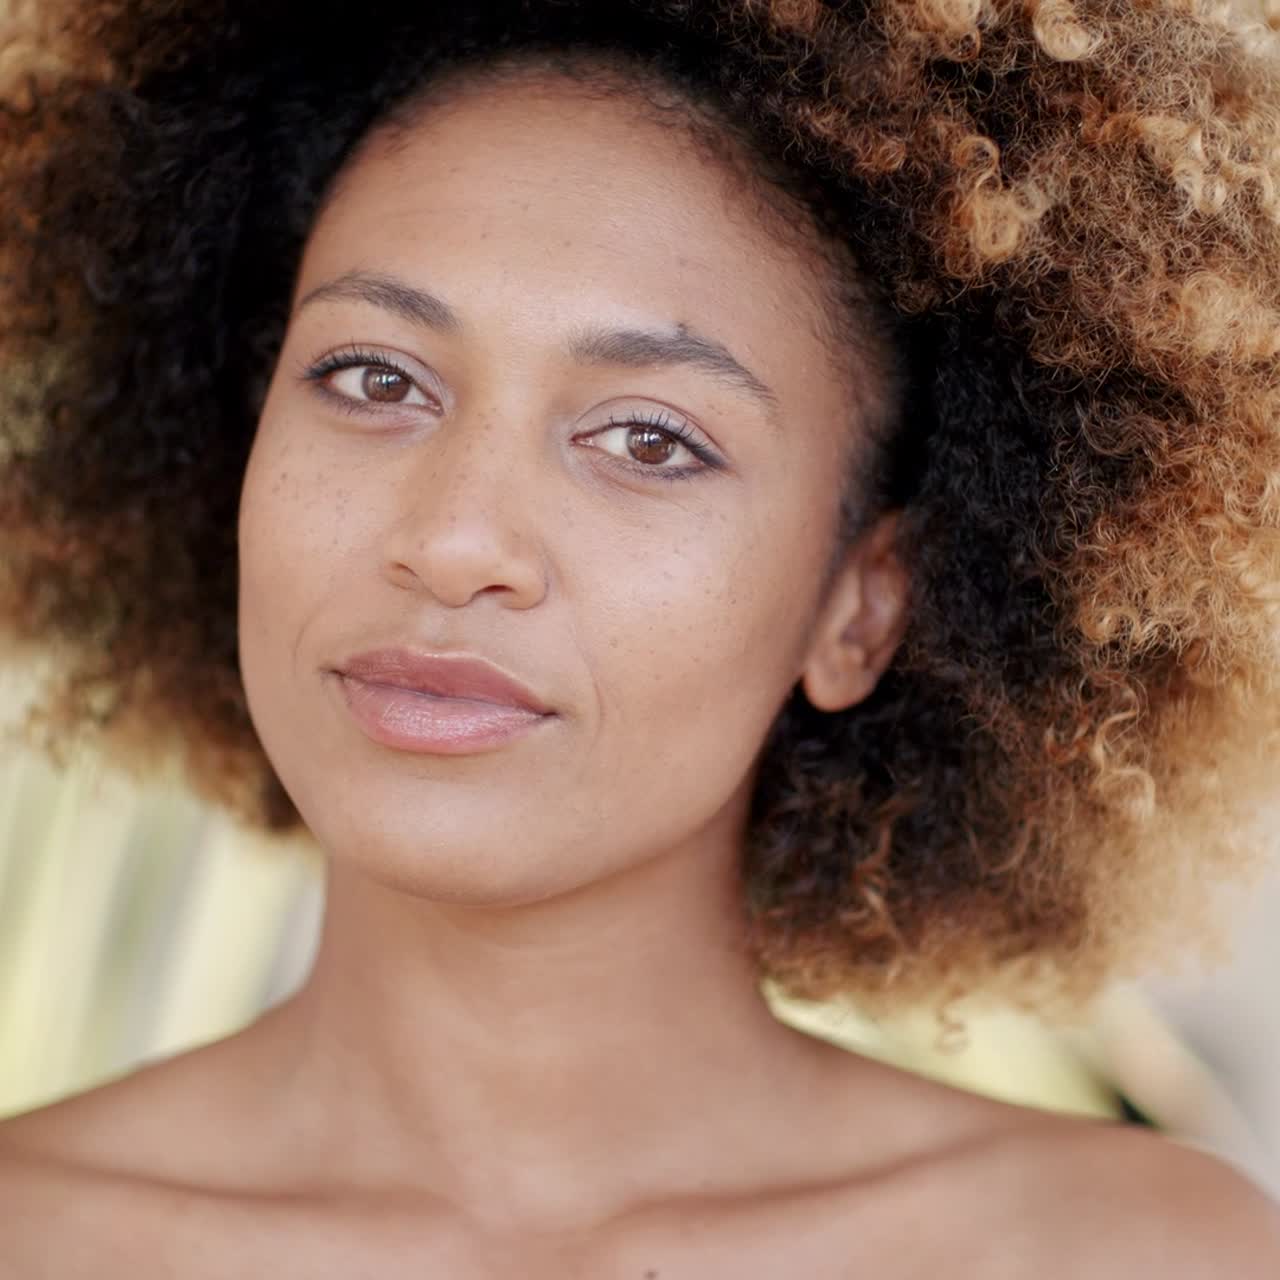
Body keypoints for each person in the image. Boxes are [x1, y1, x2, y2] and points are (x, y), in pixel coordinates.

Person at [1, 0, 1278, 1272]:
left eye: (648, 440)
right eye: (375, 377)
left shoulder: (1132, 1252)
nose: (453, 540)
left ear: (859, 607)